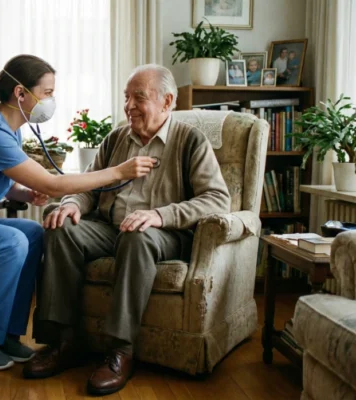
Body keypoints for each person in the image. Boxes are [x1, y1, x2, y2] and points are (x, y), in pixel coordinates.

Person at [0, 54, 157, 371]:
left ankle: (7, 334)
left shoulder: (12, 130)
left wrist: (22, 191)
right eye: (47, 93)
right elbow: (53, 184)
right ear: (21, 94)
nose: (51, 100)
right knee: (9, 241)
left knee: (34, 233)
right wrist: (118, 172)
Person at [24, 64, 231, 395]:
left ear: (167, 101)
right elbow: (89, 187)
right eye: (126, 97)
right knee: (59, 225)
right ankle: (63, 341)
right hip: (109, 226)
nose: (130, 106)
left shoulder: (191, 140)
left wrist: (162, 215)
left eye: (139, 97)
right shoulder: (116, 138)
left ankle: (120, 350)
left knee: (137, 235)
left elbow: (218, 199)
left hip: (162, 234)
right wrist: (73, 204)